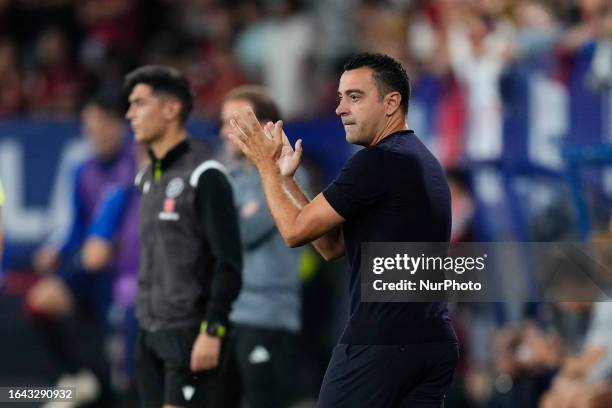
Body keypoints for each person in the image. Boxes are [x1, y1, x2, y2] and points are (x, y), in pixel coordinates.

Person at [228, 52, 459, 407]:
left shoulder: (376, 161)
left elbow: (293, 232)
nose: (339, 109)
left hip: (380, 343)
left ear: (391, 103)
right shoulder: (422, 160)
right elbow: (330, 246)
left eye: (355, 96)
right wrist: (285, 178)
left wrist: (264, 166)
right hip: (432, 341)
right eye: (339, 97)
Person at [124, 65, 242, 408]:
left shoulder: (205, 174)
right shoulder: (147, 179)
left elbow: (228, 261)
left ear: (171, 109)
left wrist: (213, 329)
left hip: (191, 333)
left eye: (139, 103)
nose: (130, 114)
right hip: (149, 333)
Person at [25, 91, 135, 408]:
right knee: (39, 302)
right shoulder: (82, 170)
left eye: (101, 124)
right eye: (89, 126)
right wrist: (56, 250)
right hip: (90, 265)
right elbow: (77, 226)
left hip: (126, 269)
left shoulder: (136, 163)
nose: (94, 133)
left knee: (122, 364)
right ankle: (77, 376)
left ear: (117, 125)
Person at [213, 85, 305, 408]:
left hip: (268, 318)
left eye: (235, 122)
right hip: (228, 317)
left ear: (266, 126)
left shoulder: (290, 175)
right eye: (224, 123)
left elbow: (240, 232)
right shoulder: (226, 178)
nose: (226, 132)